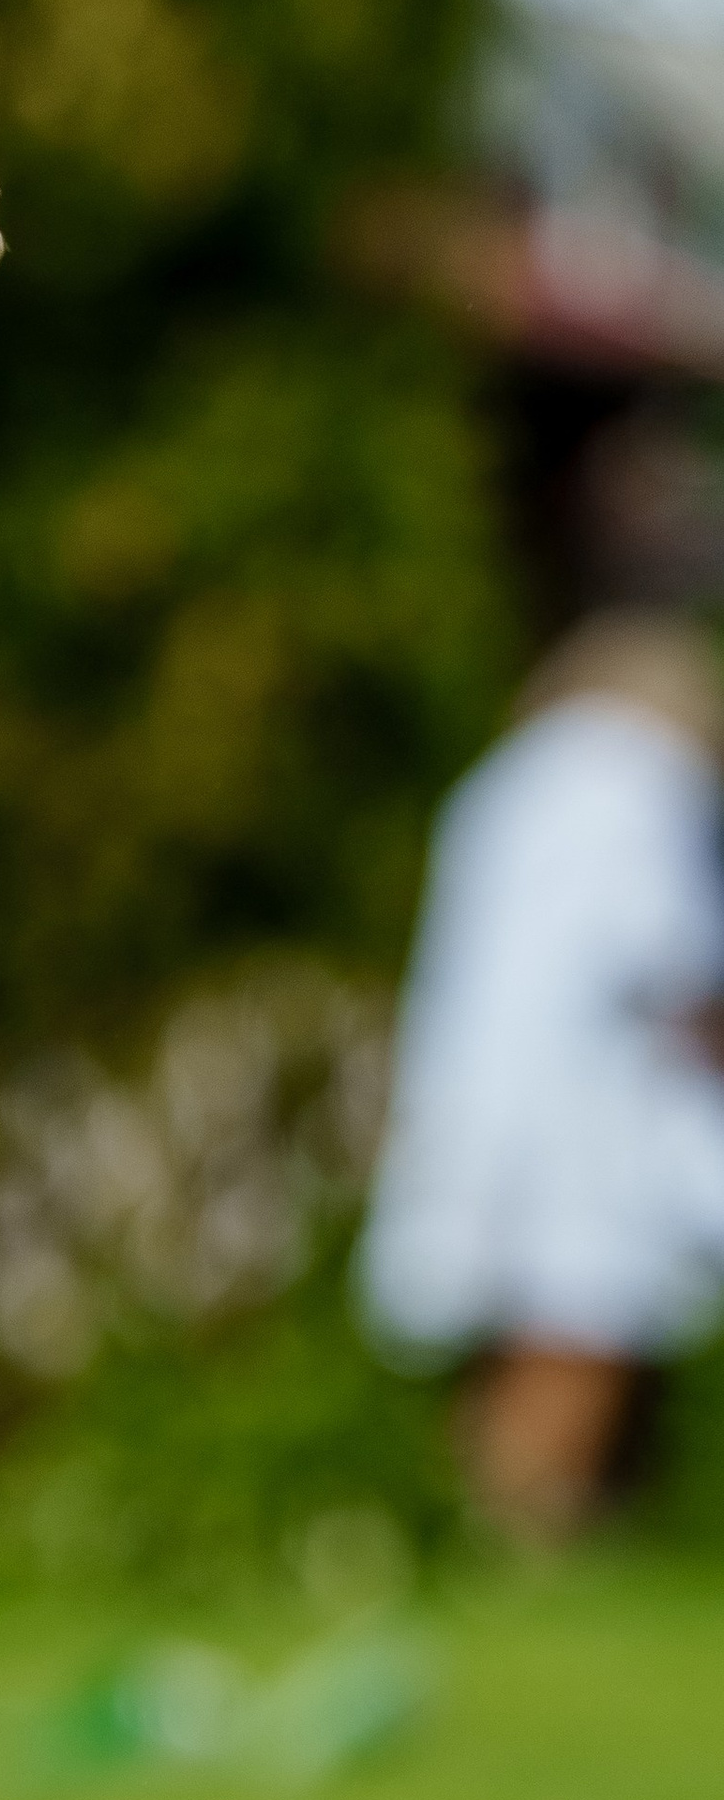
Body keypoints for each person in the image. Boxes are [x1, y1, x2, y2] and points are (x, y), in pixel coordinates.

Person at [359, 611, 724, 1537]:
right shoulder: (632, 777)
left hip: (481, 1085)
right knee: (581, 1318)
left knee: (521, 1327)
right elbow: (666, 953)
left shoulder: (507, 784)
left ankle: (492, 1520)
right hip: (587, 1106)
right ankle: (531, 1530)